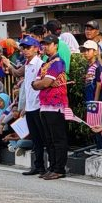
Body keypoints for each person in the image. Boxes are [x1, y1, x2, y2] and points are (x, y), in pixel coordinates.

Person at [32, 35, 69, 180]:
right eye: (44, 44)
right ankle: (52, 167)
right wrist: (42, 83)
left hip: (56, 105)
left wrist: (42, 83)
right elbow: (35, 84)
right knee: (49, 139)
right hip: (44, 105)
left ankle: (59, 169)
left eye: (48, 44)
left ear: (55, 45)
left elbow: (44, 83)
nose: (45, 47)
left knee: (58, 138)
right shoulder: (45, 64)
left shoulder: (58, 62)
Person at [17, 36, 47, 176]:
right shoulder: (27, 64)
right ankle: (38, 166)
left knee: (43, 137)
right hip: (30, 106)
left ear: (36, 49)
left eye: (28, 48)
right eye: (23, 48)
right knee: (35, 139)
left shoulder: (40, 64)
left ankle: (48, 166)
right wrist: (25, 106)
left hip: (39, 105)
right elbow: (27, 89)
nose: (25, 50)